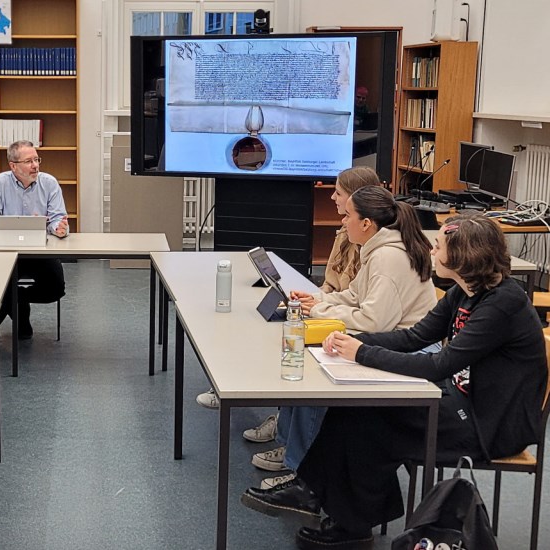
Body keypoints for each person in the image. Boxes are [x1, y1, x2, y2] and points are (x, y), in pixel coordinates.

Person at [258, 213, 546, 550]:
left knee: (369, 420)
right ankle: (337, 509)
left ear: (463, 256)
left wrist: (362, 353)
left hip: (489, 425)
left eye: (439, 246)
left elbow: (441, 364)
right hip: (463, 401)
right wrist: (352, 340)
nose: (432, 251)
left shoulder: (504, 303)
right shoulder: (464, 292)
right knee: (355, 410)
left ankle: (341, 514)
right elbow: (414, 338)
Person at [241, 185, 438, 514]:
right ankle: (298, 459)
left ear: (366, 224)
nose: (342, 221)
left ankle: (303, 473)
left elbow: (374, 320)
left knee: (319, 378)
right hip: (392, 340)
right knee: (311, 367)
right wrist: (319, 301)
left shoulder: (388, 257)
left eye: (348, 216)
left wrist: (319, 312)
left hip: (409, 350)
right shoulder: (377, 247)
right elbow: (354, 297)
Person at [197, 167, 382, 417]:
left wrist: (316, 307)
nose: (332, 197)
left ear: (355, 199)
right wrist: (312, 299)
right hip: (332, 309)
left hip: (344, 321)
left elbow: (358, 302)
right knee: (269, 320)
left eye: (337, 193)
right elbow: (333, 286)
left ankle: (279, 417)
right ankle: (234, 385)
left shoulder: (373, 249)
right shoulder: (345, 233)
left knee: (286, 334)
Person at [0, 140, 69, 339]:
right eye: (29, 161)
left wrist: (59, 228)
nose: (35, 165)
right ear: (13, 166)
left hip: (41, 252)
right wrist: (20, 228)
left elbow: (57, 219)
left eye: (37, 159)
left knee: (56, 287)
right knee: (3, 283)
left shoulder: (49, 183)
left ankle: (18, 299)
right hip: (7, 253)